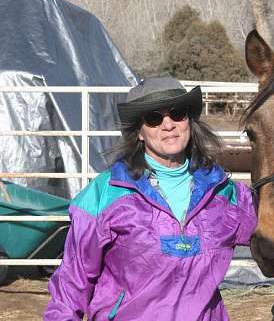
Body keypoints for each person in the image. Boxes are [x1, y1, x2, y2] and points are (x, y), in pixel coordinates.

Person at [45, 77, 257, 320]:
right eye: (154, 118)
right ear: (140, 133)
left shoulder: (224, 194)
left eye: (177, 114)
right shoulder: (104, 195)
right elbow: (71, 285)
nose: (168, 125)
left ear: (189, 121)